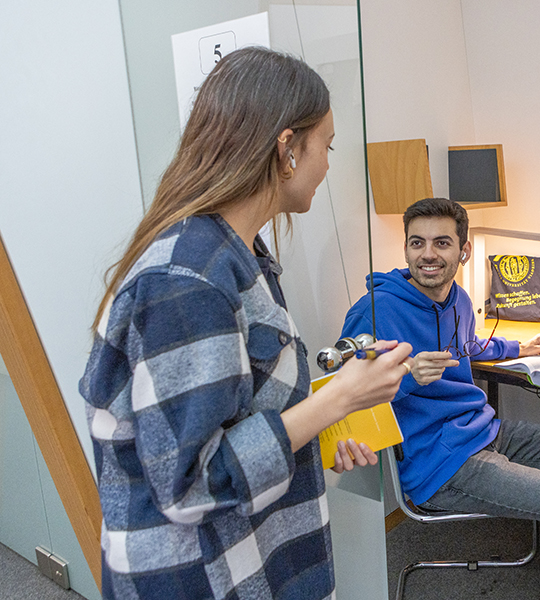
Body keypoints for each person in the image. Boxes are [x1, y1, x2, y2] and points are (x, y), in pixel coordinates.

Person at [79, 47, 412, 600]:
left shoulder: (241, 254)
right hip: (202, 578)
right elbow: (189, 485)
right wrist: (336, 402)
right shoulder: (186, 281)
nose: (329, 164)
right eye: (325, 146)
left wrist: (320, 431)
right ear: (287, 149)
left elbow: (238, 412)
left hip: (257, 555)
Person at [341, 198, 540, 600]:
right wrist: (406, 376)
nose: (428, 254)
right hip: (441, 462)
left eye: (441, 243)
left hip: (484, 431)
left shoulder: (458, 300)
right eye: (417, 243)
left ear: (462, 251)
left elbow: (468, 346)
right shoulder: (375, 312)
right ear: (407, 248)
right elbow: (347, 393)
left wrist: (519, 348)